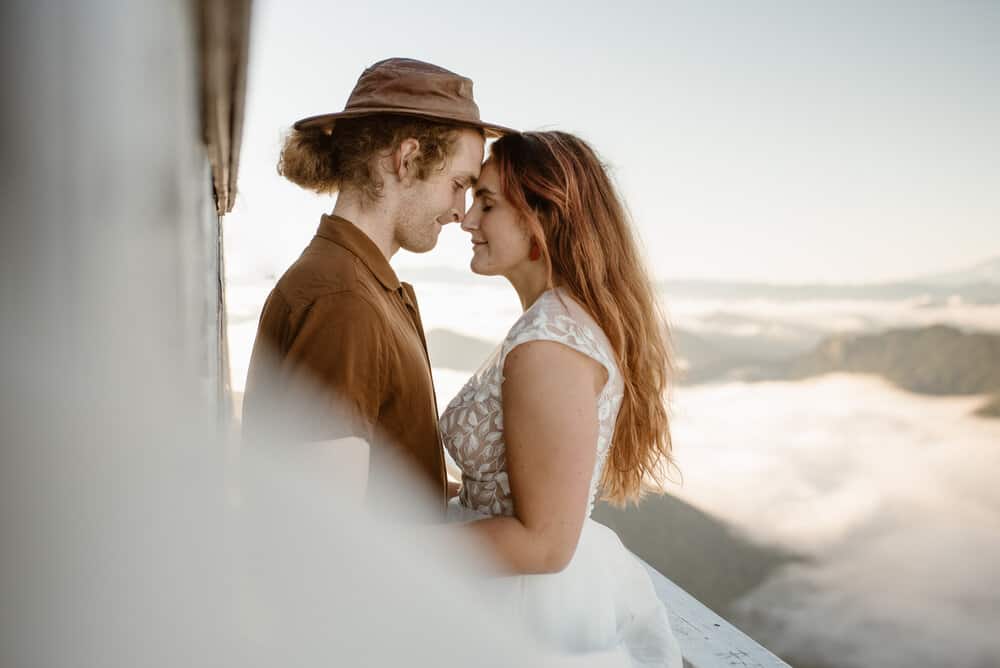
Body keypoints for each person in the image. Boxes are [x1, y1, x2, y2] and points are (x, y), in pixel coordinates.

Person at [439, 131, 683, 666]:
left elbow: (545, 544)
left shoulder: (549, 345)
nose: (467, 219)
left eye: (488, 203)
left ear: (541, 219)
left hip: (514, 612)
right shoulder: (552, 325)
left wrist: (384, 551)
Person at [240, 58, 512, 517]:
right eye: (458, 185)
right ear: (406, 161)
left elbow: (378, 485)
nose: (460, 212)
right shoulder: (343, 300)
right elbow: (328, 532)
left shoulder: (361, 285)